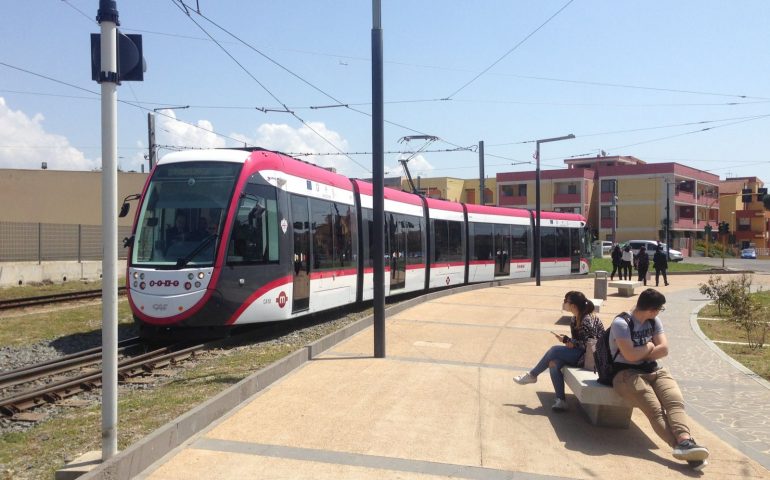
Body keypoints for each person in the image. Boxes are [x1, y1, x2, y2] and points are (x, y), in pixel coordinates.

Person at [609, 289, 709, 470]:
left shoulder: (654, 321)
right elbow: (630, 356)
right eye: (659, 309)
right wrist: (648, 346)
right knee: (655, 410)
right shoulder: (621, 323)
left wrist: (641, 353)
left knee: (675, 401)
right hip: (625, 375)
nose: (658, 313)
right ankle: (683, 447)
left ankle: (685, 441)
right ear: (652, 309)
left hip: (654, 370)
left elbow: (664, 349)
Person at [513, 291, 604, 411]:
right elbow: (578, 342)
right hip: (581, 354)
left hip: (591, 360)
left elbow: (590, 344)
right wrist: (568, 341)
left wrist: (567, 340)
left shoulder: (586, 319)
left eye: (566, 301)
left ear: (573, 306)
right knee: (553, 363)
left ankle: (532, 375)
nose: (564, 303)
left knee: (554, 350)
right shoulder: (574, 319)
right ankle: (561, 400)